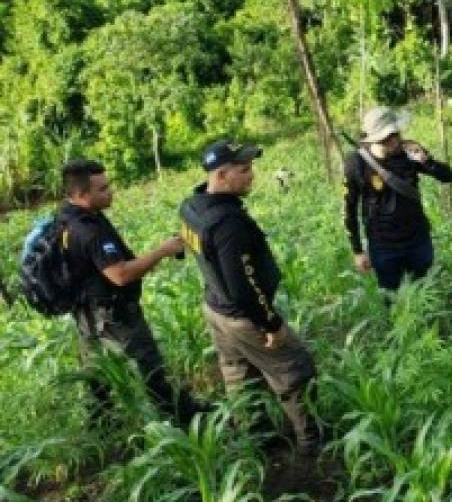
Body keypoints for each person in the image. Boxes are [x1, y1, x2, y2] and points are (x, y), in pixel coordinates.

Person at [179, 139, 321, 462]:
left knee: (239, 376)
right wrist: (271, 323)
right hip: (243, 316)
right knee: (294, 370)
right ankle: (311, 443)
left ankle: (259, 441)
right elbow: (243, 286)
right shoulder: (228, 224)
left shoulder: (191, 206)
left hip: (216, 309)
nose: (252, 175)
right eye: (243, 170)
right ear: (221, 175)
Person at [58, 159, 200, 425]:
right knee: (149, 367)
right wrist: (162, 251)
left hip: (88, 313)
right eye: (102, 189)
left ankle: (103, 426)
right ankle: (181, 420)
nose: (110, 192)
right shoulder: (88, 229)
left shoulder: (66, 216)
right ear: (81, 194)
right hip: (113, 315)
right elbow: (120, 274)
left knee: (98, 375)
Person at [343, 106, 452, 291]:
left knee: (426, 291)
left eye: (396, 133)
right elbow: (349, 208)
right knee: (392, 297)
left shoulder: (409, 151)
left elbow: (447, 177)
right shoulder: (356, 162)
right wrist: (357, 250)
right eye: (388, 137)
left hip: (417, 239)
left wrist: (426, 161)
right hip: (383, 246)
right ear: (375, 138)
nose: (395, 140)